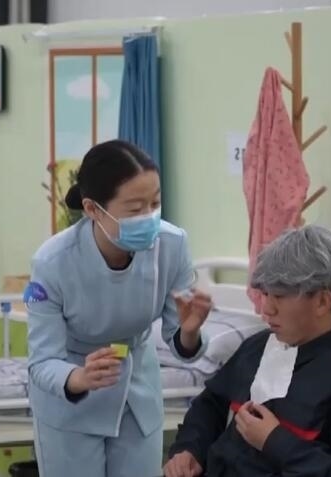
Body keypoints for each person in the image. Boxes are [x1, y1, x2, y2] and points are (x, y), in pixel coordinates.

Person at [25, 140, 213, 477]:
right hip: (71, 403)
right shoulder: (53, 263)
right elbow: (42, 361)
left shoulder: (172, 245)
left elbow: (179, 342)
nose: (149, 217)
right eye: (135, 209)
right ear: (93, 209)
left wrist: (189, 332)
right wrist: (79, 377)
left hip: (138, 395)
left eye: (155, 203)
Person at [164, 225, 331, 477]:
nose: (266, 309)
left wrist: (275, 441)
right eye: (265, 294)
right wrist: (189, 449)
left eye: (279, 295)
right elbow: (211, 403)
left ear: (322, 301)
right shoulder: (257, 348)